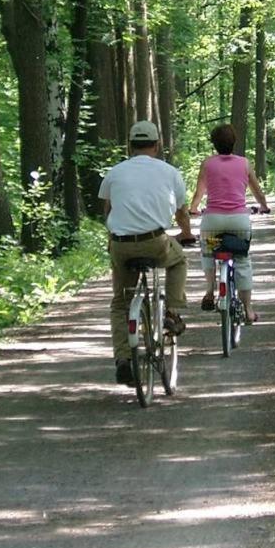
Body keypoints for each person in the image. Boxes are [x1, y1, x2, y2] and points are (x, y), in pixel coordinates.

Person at [99, 120, 195, 385]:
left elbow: (108, 209)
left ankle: (123, 359)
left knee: (120, 302)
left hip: (121, 244)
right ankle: (172, 312)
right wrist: (185, 233)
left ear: (130, 145)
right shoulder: (169, 172)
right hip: (155, 241)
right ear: (156, 144)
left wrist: (112, 237)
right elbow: (182, 212)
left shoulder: (115, 172)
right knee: (179, 261)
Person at [189, 123, 269, 324]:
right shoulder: (244, 163)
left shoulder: (207, 164)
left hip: (212, 220)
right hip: (239, 221)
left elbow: (199, 192)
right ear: (234, 142)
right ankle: (249, 310)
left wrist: (193, 208)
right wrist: (264, 206)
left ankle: (209, 291)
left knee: (208, 253)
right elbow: (257, 190)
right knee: (242, 260)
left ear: (214, 144)